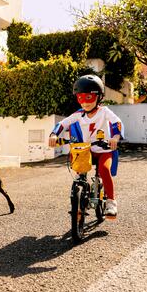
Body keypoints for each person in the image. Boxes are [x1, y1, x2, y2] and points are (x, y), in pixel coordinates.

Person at [48, 74, 124, 217]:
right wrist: (54, 134)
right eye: (80, 98)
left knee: (104, 169)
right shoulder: (78, 114)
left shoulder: (104, 112)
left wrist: (115, 137)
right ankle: (78, 198)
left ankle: (111, 201)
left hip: (104, 150)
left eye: (89, 98)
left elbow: (117, 122)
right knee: (79, 170)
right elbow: (63, 123)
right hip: (86, 150)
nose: (85, 103)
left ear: (99, 97)